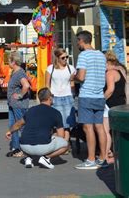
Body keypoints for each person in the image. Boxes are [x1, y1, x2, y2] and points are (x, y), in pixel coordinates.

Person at [7, 88, 68, 169]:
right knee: (65, 145)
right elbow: (61, 135)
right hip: (42, 147)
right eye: (52, 96)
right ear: (50, 98)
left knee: (30, 135)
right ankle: (46, 158)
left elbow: (18, 124)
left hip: (24, 146)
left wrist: (9, 131)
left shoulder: (31, 110)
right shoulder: (56, 113)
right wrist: (53, 135)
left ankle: (29, 158)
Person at [74, 30, 108, 170]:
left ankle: (91, 159)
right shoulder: (101, 55)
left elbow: (81, 77)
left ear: (82, 41)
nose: (77, 44)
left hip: (87, 95)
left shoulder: (83, 55)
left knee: (88, 128)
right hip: (99, 95)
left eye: (78, 41)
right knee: (99, 127)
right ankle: (103, 159)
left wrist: (73, 77)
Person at [45, 48, 76, 148]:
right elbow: (47, 85)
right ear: (57, 58)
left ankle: (65, 145)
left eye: (67, 57)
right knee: (59, 123)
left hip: (68, 97)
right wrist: (48, 98)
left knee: (68, 123)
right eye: (63, 58)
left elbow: (72, 84)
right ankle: (61, 144)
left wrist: (73, 95)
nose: (66, 59)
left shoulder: (71, 68)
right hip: (55, 97)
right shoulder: (50, 68)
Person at [103, 51, 127, 164]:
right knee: (117, 131)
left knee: (105, 131)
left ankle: (105, 156)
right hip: (120, 103)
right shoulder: (121, 70)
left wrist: (101, 100)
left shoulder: (110, 73)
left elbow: (110, 90)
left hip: (110, 104)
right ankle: (116, 153)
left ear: (107, 62)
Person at [6, 51, 31, 158]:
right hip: (13, 104)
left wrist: (20, 95)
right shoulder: (15, 72)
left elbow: (26, 85)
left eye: (9, 61)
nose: (7, 63)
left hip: (19, 105)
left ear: (14, 62)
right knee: (13, 126)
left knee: (21, 126)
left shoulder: (20, 73)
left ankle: (27, 149)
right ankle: (16, 148)